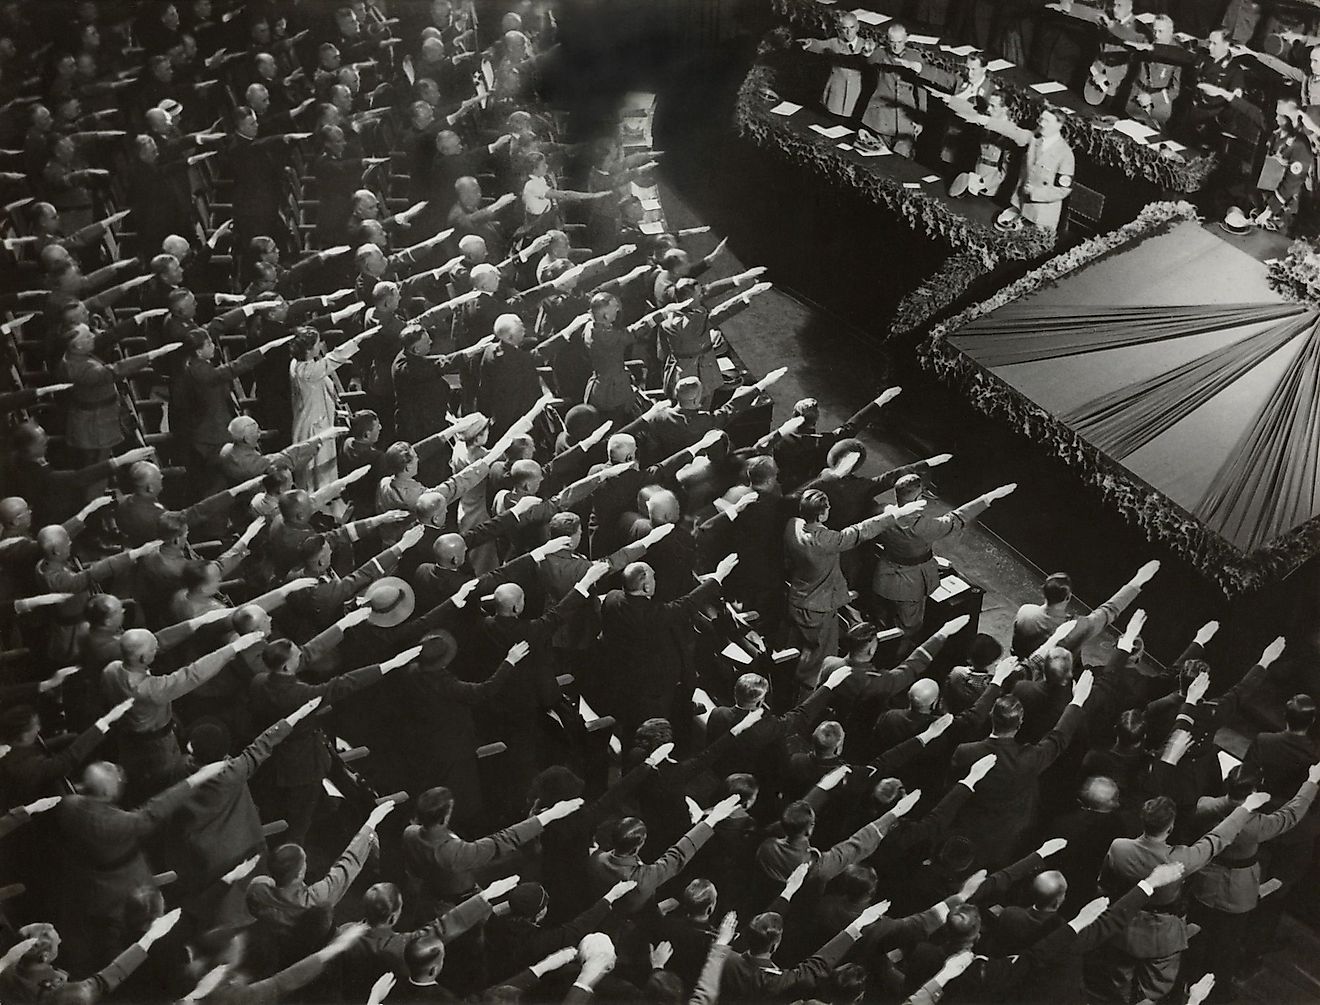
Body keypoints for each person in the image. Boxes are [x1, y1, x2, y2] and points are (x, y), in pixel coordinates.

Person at [872, 478, 1014, 642]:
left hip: (883, 576)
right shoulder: (923, 527)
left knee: (882, 617)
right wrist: (989, 497)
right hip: (909, 585)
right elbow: (957, 518)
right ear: (918, 499)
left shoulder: (881, 512)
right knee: (909, 627)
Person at [797, 12, 869, 118]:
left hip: (855, 97)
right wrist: (809, 43)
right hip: (835, 96)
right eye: (844, 28)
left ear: (857, 27)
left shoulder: (865, 45)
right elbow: (820, 45)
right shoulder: (834, 43)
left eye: (852, 27)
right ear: (839, 29)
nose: (849, 32)